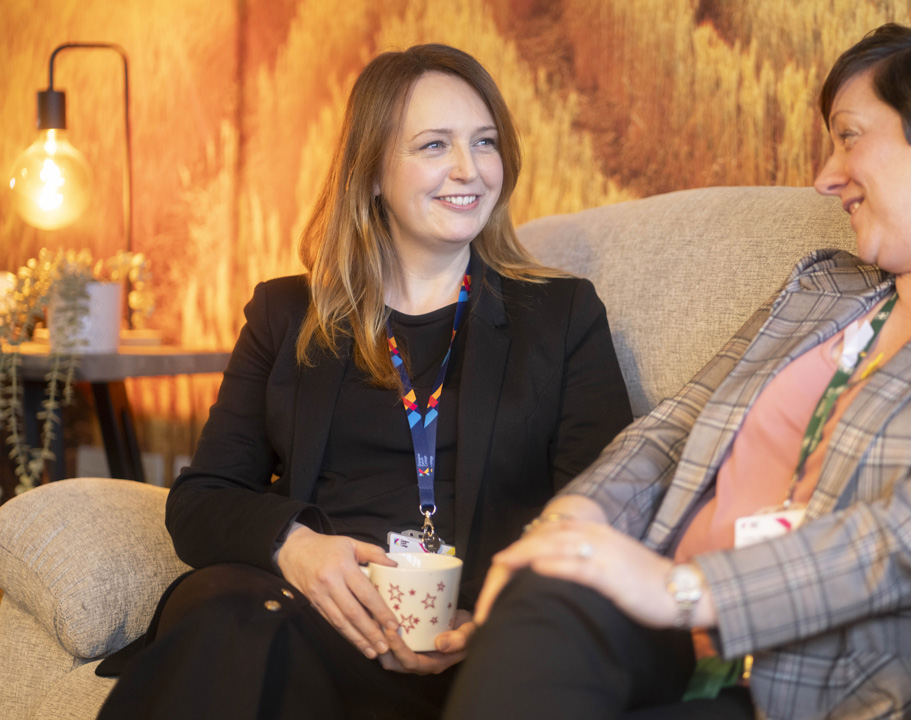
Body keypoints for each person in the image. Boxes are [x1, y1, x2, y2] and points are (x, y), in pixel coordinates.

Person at [443, 13, 911, 720]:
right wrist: (571, 528)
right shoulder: (827, 287)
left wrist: (679, 589)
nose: (826, 177)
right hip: (662, 625)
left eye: (849, 136)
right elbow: (672, 430)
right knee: (542, 594)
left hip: (817, 681)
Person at [95, 43, 631, 720]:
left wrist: (495, 617)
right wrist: (295, 548)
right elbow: (202, 500)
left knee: (235, 637)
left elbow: (607, 505)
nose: (469, 169)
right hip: (304, 612)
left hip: (467, 640)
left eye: (485, 142)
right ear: (372, 171)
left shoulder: (561, 316)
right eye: (434, 145)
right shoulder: (287, 313)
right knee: (229, 615)